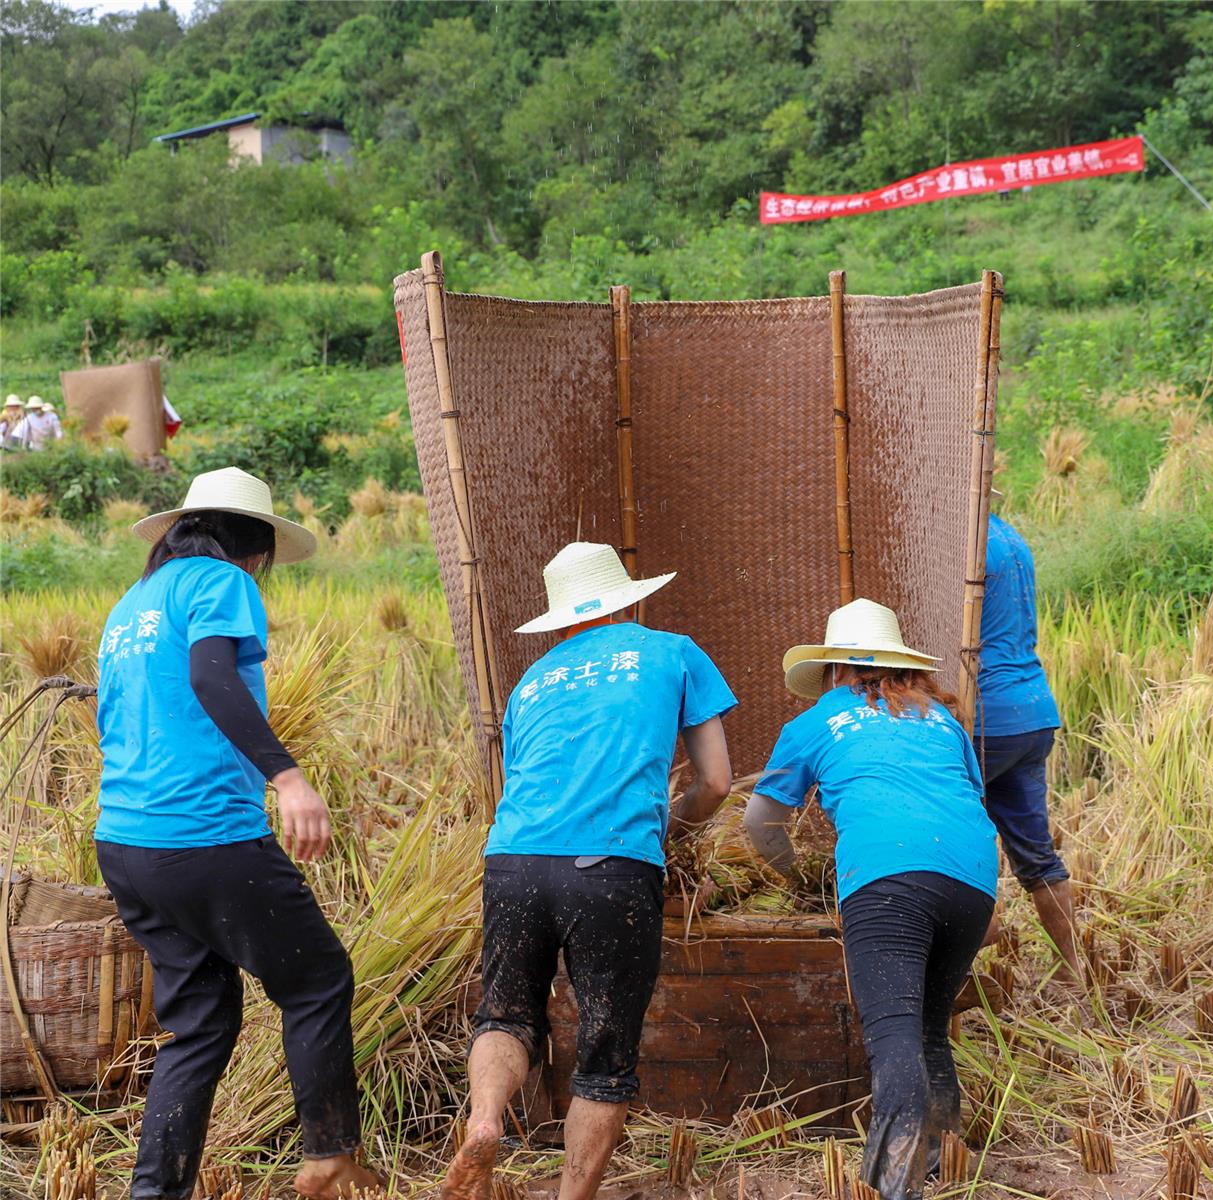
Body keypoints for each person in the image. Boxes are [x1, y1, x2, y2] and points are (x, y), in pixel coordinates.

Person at [94, 467, 379, 1200]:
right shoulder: (222, 581)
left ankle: (156, 1192)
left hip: (126, 843)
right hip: (205, 835)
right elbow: (211, 676)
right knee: (317, 979)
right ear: (255, 548)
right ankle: (329, 1157)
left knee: (200, 1024)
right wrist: (288, 778)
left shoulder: (132, 604)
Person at [441, 542, 736, 1200]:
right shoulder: (672, 651)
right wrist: (672, 835)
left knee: (506, 1016)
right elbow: (716, 782)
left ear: (560, 617)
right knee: (605, 1055)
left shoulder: (531, 681)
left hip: (513, 860)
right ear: (627, 597)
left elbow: (522, 782)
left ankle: (485, 1119)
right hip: (611, 866)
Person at [744, 599, 998, 1200]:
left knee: (894, 1036)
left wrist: (798, 878)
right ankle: (942, 1164)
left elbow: (760, 824)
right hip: (973, 879)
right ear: (902, 666)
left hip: (887, 878)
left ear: (834, 668)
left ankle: (893, 1186)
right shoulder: (942, 720)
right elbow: (969, 802)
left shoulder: (816, 722)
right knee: (930, 1029)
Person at [977, 507, 1080, 984]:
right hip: (1033, 709)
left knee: (950, 835)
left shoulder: (968, 538)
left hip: (988, 716)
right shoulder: (1009, 534)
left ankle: (981, 934)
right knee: (1038, 857)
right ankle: (1072, 970)